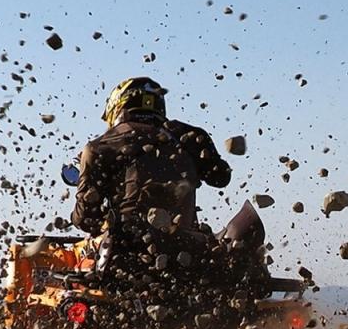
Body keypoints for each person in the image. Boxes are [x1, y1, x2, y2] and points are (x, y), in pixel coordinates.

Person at [70, 78, 232, 281]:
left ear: (117, 106)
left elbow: (87, 220)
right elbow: (221, 177)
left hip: (126, 258)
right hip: (189, 256)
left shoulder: (100, 146)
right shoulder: (190, 136)